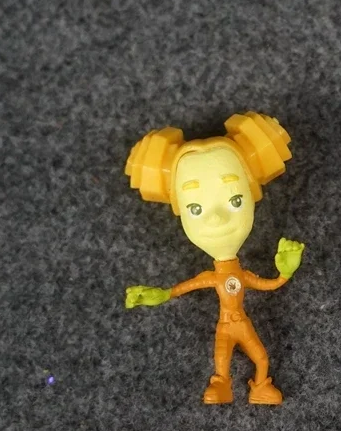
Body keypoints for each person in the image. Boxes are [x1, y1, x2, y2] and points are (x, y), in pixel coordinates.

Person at [124, 112, 304, 405]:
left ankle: (260, 386)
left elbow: (268, 284)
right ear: (179, 210)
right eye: (195, 208)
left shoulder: (237, 276)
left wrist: (285, 271)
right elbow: (183, 288)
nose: (217, 218)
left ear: (252, 193)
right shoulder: (214, 277)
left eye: (235, 200)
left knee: (261, 358)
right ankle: (222, 385)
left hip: (240, 324)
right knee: (222, 364)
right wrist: (160, 295)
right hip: (227, 327)